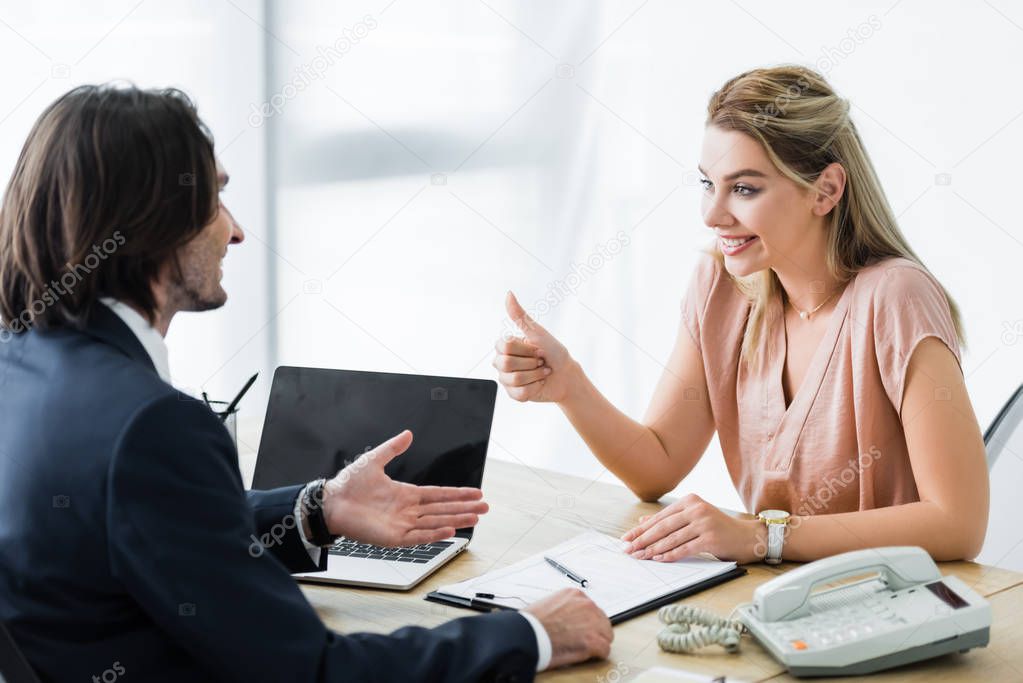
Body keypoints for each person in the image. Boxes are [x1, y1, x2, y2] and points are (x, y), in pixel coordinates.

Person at [0, 85, 612, 681]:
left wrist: (316, 510)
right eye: (215, 198)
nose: (234, 231)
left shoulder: (21, 370)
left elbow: (153, 525)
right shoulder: (152, 425)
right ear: (152, 220)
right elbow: (312, 669)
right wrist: (530, 635)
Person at [494, 65, 989, 566]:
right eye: (708, 184)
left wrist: (762, 537)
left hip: (884, 609)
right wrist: (569, 387)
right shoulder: (721, 286)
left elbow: (958, 523)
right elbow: (656, 466)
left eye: (745, 189)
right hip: (774, 598)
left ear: (826, 190)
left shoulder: (895, 296)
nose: (712, 214)